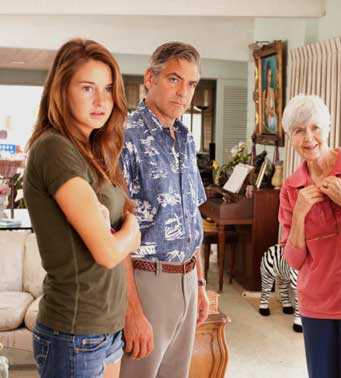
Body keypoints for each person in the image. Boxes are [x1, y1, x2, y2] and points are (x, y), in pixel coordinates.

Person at [23, 38, 141, 378]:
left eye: (107, 88)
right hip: (75, 333)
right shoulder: (54, 149)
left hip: (106, 327)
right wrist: (130, 233)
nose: (102, 101)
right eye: (87, 88)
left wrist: (120, 233)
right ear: (62, 90)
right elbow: (106, 252)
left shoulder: (92, 150)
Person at [119, 42, 208, 378]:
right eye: (174, 79)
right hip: (146, 280)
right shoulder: (125, 136)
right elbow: (113, 233)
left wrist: (198, 283)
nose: (183, 92)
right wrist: (132, 312)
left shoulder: (186, 138)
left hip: (185, 279)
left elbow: (191, 217)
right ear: (149, 78)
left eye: (191, 84)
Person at [279, 94, 341, 378]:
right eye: (299, 130)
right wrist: (301, 213)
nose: (309, 137)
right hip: (316, 304)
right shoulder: (291, 188)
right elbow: (293, 259)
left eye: (315, 127)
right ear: (291, 137)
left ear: (328, 128)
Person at [263, 61, 278, 133]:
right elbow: (264, 111)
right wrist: (268, 111)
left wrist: (272, 112)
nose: (270, 78)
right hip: (268, 121)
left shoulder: (272, 91)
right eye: (268, 76)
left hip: (273, 119)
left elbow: (274, 109)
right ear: (266, 77)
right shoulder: (264, 92)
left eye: (271, 76)